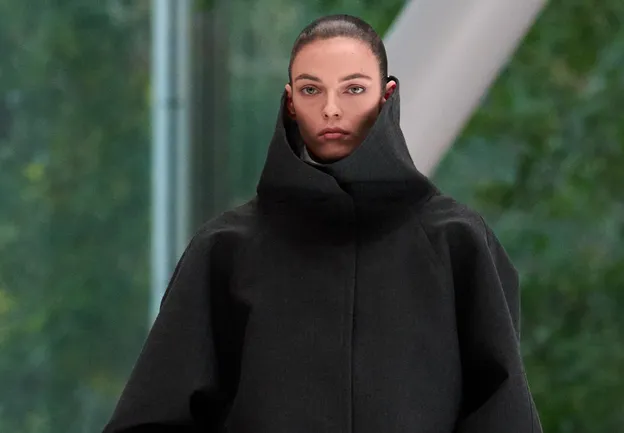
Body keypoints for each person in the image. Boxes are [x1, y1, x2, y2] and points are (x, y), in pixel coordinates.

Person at [103, 14, 543, 433]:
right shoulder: (225, 249)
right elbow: (155, 414)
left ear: (386, 95)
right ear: (290, 102)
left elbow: (502, 413)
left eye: (354, 89)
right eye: (312, 90)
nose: (331, 109)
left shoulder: (457, 241)